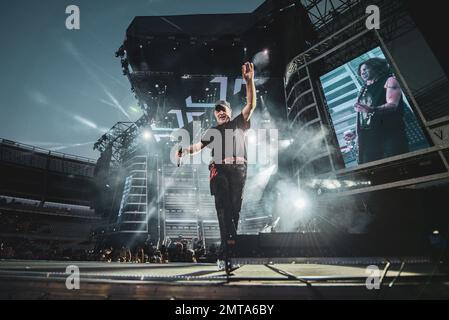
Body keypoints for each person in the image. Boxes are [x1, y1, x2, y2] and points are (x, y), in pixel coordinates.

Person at [177, 62, 256, 261]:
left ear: (229, 112)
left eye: (224, 109)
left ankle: (230, 246)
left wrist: (249, 81)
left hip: (239, 169)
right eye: (217, 110)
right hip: (219, 169)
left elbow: (251, 105)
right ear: (215, 114)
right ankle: (227, 247)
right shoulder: (212, 132)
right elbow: (198, 147)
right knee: (223, 207)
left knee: (234, 210)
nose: (221, 112)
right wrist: (184, 150)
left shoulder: (239, 122)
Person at [354, 58, 409, 164]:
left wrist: (372, 109)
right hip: (369, 137)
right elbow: (360, 116)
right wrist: (357, 135)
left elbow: (392, 105)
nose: (362, 73)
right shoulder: (362, 90)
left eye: (365, 69)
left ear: (375, 67)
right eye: (361, 72)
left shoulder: (389, 80)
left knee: (398, 163)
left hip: (390, 132)